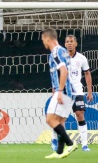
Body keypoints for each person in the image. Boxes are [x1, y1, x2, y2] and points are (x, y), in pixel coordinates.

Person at [51, 35, 93, 152]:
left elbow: (87, 74)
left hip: (77, 91)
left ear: (76, 44)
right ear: (64, 44)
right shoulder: (60, 58)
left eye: (71, 41)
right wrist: (55, 87)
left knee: (80, 114)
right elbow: (54, 73)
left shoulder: (82, 58)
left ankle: (84, 144)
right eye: (67, 42)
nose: (69, 43)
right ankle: (54, 140)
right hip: (64, 91)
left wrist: (90, 91)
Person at [41, 28, 78, 159]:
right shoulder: (63, 51)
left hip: (64, 91)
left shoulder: (56, 52)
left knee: (50, 119)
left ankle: (70, 143)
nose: (43, 42)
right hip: (70, 90)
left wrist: (59, 91)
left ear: (47, 38)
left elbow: (63, 71)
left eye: (43, 39)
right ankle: (59, 152)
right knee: (60, 122)